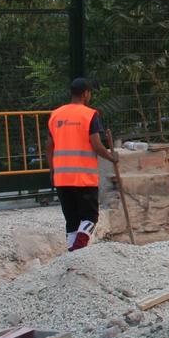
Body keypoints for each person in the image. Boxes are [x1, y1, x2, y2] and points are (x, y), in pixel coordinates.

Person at [44, 78, 119, 252]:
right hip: (84, 178)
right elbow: (96, 144)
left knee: (71, 219)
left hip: (62, 177)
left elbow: (49, 145)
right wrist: (111, 157)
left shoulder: (56, 114)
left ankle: (72, 256)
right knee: (90, 217)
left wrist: (52, 169)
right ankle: (77, 249)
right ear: (86, 93)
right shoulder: (90, 114)